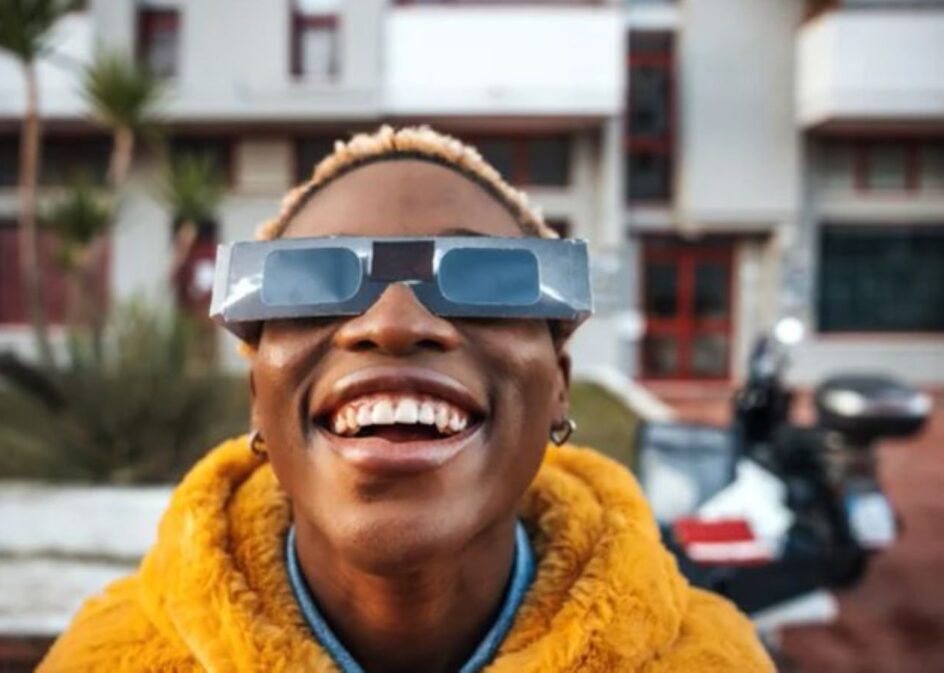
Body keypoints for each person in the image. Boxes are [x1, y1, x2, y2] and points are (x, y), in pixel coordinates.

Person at [38, 126, 773, 672]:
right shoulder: (104, 658)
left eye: (485, 277)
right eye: (317, 280)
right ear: (258, 399)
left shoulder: (712, 657)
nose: (393, 322)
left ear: (558, 388)